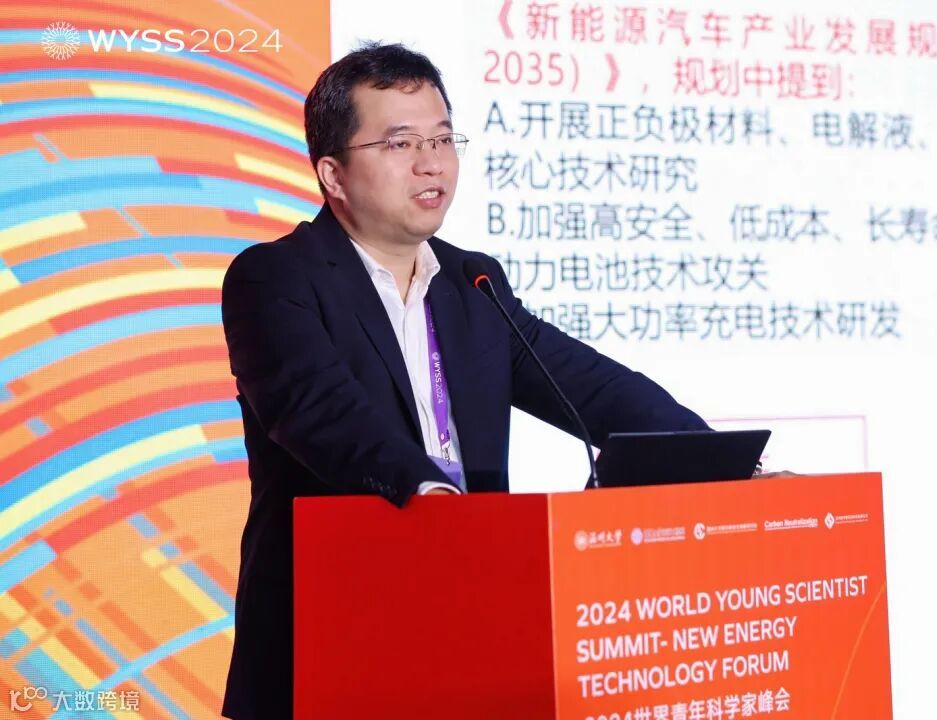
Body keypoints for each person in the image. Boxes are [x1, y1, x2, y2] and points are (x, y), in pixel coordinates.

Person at [219, 42, 709, 720]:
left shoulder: (472, 282)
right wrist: (434, 499)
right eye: (400, 144)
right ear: (333, 174)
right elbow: (320, 412)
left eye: (443, 139)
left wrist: (718, 459)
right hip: (331, 640)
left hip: (469, 629)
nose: (432, 163)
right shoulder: (275, 278)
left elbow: (591, 386)